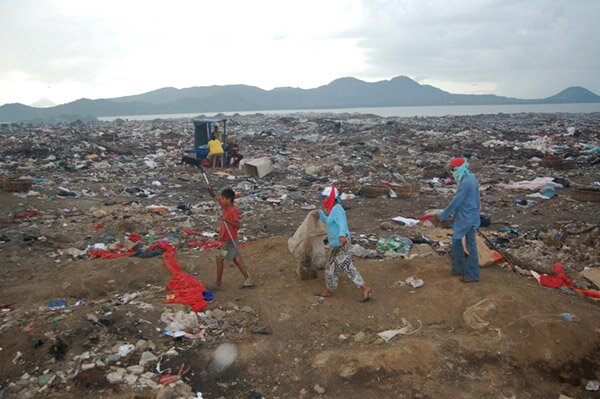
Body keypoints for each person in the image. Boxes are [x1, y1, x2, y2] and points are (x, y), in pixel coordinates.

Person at [317, 186, 371, 301]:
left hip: (341, 244)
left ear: (332, 198)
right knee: (340, 266)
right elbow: (330, 222)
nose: (323, 201)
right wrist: (321, 215)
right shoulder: (333, 209)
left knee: (337, 266)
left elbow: (342, 223)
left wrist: (342, 235)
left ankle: (331, 290)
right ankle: (362, 287)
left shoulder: (337, 209)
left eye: (325, 198)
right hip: (338, 244)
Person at [431, 157, 481, 283]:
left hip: (466, 217)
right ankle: (470, 272)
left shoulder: (466, 182)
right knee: (471, 244)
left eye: (454, 169)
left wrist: (442, 216)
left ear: (461, 169)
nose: (453, 172)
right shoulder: (471, 178)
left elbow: (456, 202)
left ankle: (462, 270)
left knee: (457, 240)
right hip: (472, 215)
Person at [211, 188, 254, 290]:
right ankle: (248, 280)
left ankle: (218, 284)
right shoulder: (225, 207)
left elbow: (237, 225)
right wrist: (210, 190)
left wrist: (227, 220)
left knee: (219, 259)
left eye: (223, 198)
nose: (221, 200)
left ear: (229, 200)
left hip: (230, 240)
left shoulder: (233, 210)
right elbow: (214, 198)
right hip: (228, 239)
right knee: (236, 259)